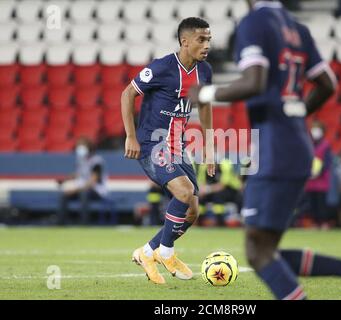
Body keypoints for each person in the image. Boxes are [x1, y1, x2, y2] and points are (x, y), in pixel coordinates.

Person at [189, 0, 341, 299]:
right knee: (266, 248)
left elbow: (255, 81)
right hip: (296, 143)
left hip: (274, 148)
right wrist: (296, 113)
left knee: (258, 252)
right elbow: (327, 84)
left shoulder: (255, 22)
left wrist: (206, 92)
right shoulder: (297, 27)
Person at [121, 17, 215, 284]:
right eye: (201, 39)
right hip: (152, 144)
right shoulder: (162, 68)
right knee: (184, 192)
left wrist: (209, 147)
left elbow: (205, 106)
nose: (206, 44)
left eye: (209, 39)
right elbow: (127, 94)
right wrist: (131, 136)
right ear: (184, 41)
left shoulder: (205, 71)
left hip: (179, 147)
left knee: (193, 211)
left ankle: (146, 252)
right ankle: (166, 251)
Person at [57, 137, 109, 225]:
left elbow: (92, 182)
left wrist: (75, 190)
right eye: (78, 146)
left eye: (82, 146)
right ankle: (61, 223)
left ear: (89, 147)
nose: (79, 148)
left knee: (84, 194)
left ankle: (83, 222)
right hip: (82, 188)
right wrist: (65, 180)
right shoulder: (81, 160)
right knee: (64, 194)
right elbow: (79, 174)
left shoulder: (96, 161)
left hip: (97, 191)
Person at [196, 158, 243, 226]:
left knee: (218, 196)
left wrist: (207, 190)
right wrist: (203, 191)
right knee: (201, 198)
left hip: (231, 190)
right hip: (212, 191)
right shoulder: (203, 166)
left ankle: (220, 222)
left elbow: (222, 185)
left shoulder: (225, 165)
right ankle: (199, 222)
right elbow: (201, 182)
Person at [304, 120, 333, 228]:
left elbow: (327, 162)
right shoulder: (308, 144)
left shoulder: (326, 145)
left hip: (321, 180)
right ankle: (314, 223)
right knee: (311, 204)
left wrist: (318, 172)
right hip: (310, 180)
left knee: (321, 203)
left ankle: (324, 223)